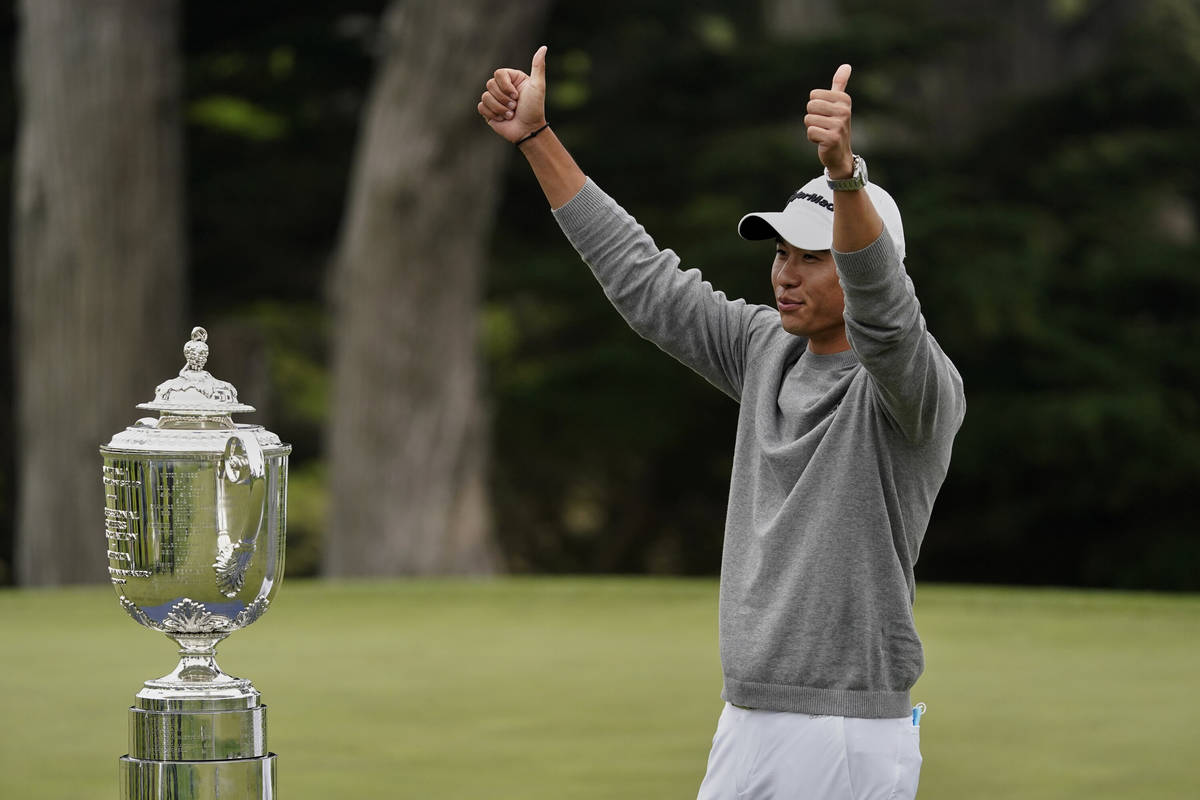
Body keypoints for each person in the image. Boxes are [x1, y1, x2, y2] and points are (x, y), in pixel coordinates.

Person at [478, 46, 965, 800]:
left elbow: (892, 320)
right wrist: (539, 139)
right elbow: (646, 282)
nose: (784, 273)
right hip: (756, 714)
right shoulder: (763, 348)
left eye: (812, 256)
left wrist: (845, 178)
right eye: (780, 253)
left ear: (866, 270)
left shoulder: (912, 387)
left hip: (837, 729)